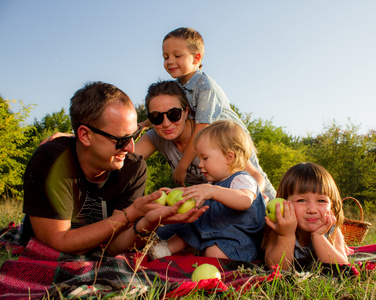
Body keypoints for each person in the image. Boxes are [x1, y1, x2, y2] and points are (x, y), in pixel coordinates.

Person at [22, 81, 207, 256]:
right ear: (85, 135)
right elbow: (60, 242)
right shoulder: (51, 160)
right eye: (121, 140)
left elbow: (113, 248)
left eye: (134, 135)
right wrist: (131, 213)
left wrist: (147, 221)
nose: (131, 148)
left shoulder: (133, 168)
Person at [139, 27, 275, 197]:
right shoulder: (181, 87)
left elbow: (201, 128)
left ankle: (270, 203)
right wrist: (144, 124)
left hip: (232, 136)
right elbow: (164, 112)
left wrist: (182, 167)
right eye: (166, 57)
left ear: (197, 58)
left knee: (250, 175)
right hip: (213, 139)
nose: (170, 61)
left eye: (177, 56)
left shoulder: (205, 87)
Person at [136, 80, 276, 199]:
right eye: (156, 117)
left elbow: (255, 175)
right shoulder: (156, 138)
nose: (166, 123)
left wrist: (252, 195)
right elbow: (125, 161)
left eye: (174, 114)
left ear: (186, 111)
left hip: (250, 201)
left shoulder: (213, 134)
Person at [151, 120, 267, 261]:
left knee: (214, 253)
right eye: (199, 158)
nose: (200, 164)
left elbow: (245, 200)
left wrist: (213, 191)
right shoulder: (214, 183)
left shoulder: (242, 179)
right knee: (190, 225)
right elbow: (199, 194)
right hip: (214, 232)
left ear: (229, 157)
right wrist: (177, 193)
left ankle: (198, 252)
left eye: (205, 158)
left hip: (238, 239)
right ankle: (163, 249)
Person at [263, 162, 349, 270]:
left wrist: (318, 236)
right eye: (301, 200)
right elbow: (276, 267)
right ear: (284, 203)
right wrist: (286, 235)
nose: (312, 210)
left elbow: (341, 266)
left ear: (332, 204)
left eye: (321, 201)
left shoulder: (331, 230)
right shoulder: (279, 228)